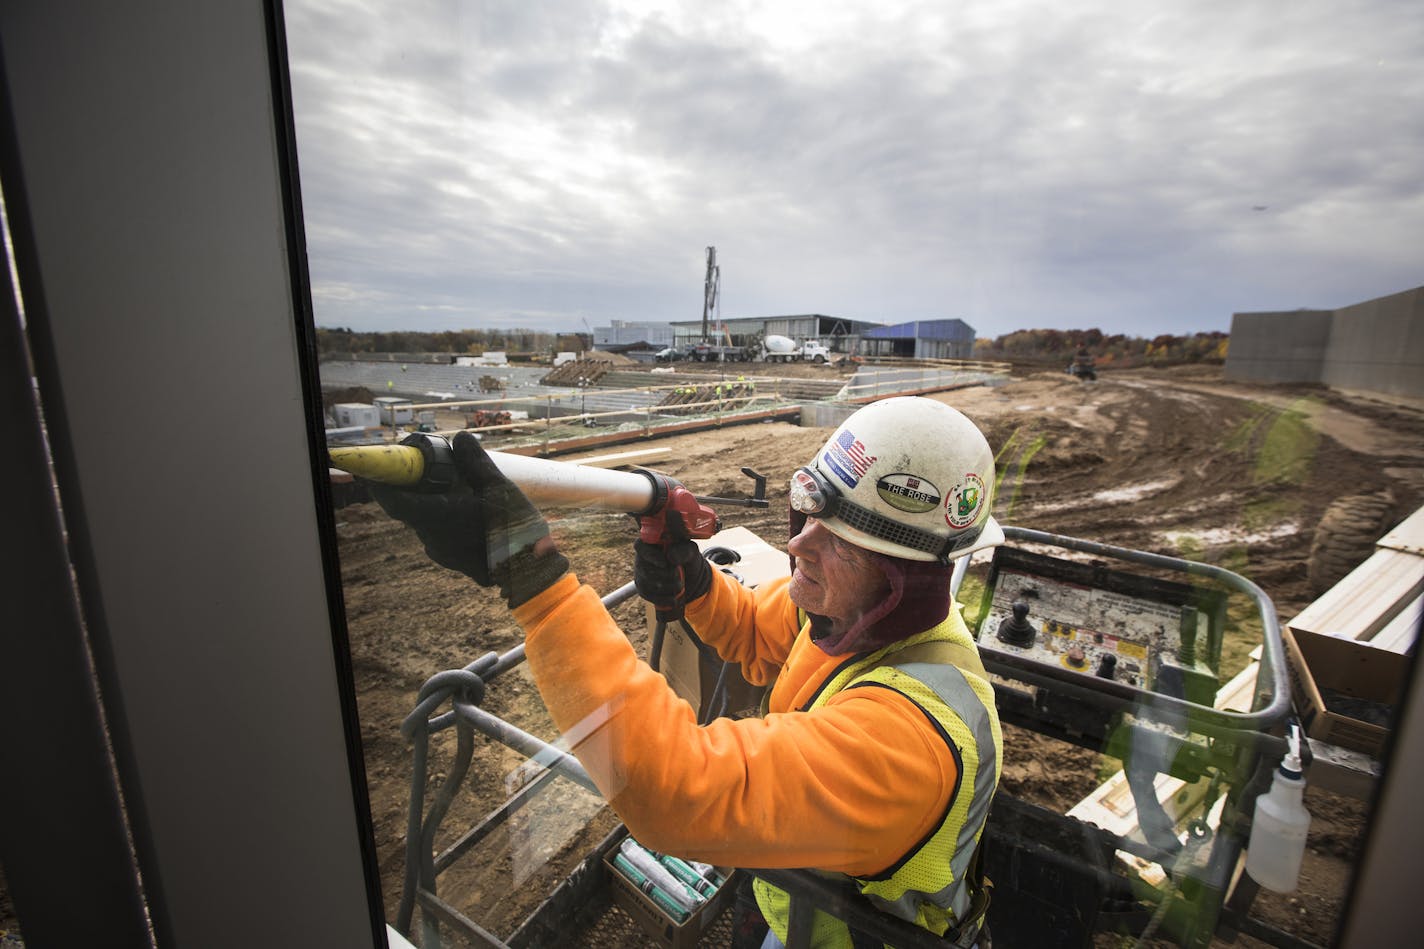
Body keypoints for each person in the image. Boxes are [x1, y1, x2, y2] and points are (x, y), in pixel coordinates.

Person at [372, 396, 1004, 948]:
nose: (797, 546)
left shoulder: (913, 744)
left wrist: (537, 583)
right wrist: (697, 582)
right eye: (806, 515)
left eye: (839, 541)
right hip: (807, 900)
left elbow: (674, 789)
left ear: (910, 577)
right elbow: (761, 636)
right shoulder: (860, 614)